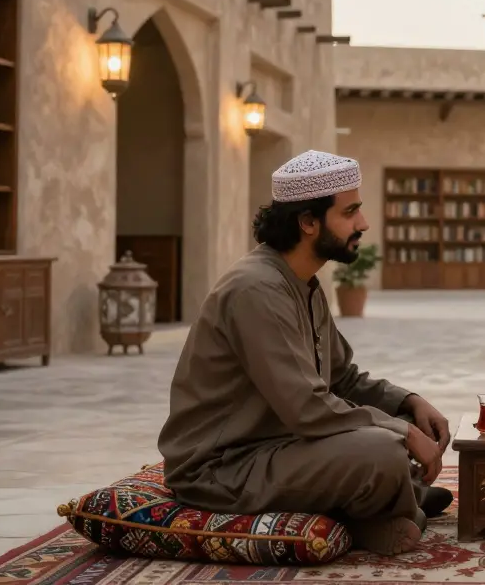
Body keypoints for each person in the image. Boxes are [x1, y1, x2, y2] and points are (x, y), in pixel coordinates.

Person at [158, 150, 452, 556]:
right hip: (223, 468)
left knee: (399, 422)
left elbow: (342, 379)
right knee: (383, 449)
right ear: (308, 222)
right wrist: (403, 434)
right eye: (350, 213)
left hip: (278, 443)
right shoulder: (256, 290)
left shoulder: (304, 284)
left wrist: (410, 404)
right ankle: (389, 506)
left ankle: (393, 499)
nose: (363, 224)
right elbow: (307, 408)